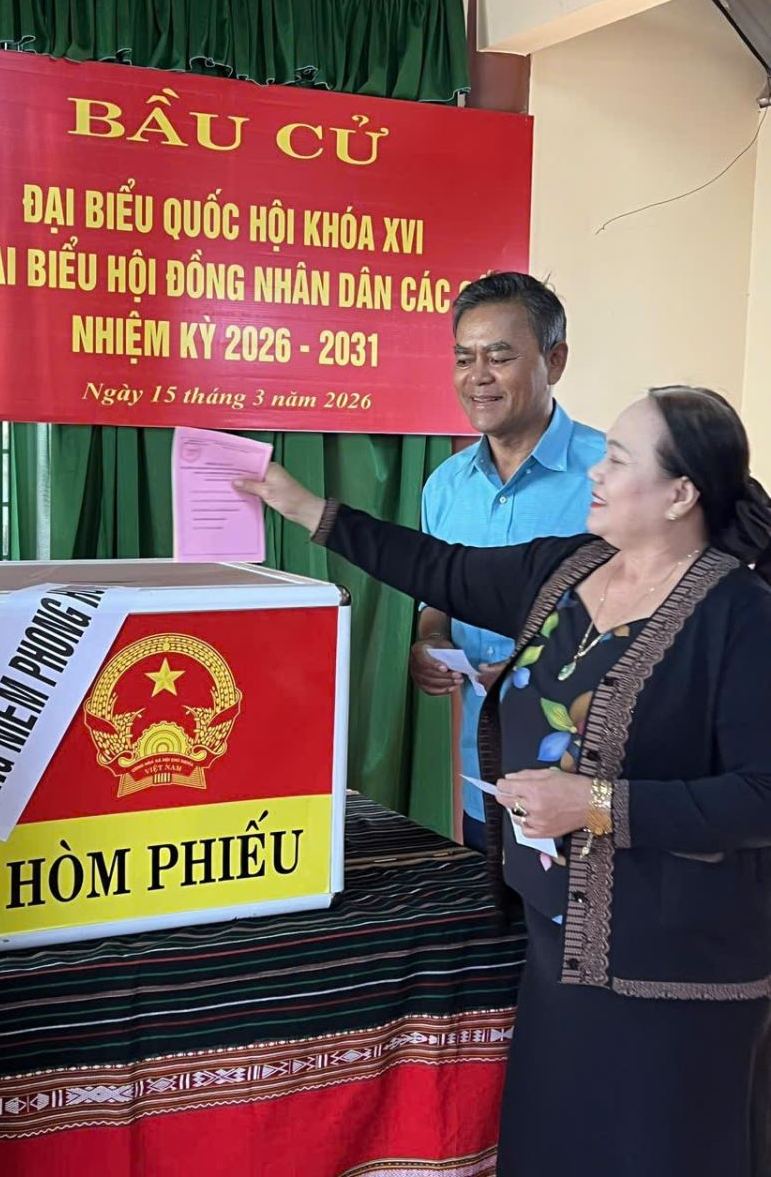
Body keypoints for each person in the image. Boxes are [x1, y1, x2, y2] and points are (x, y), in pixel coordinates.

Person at [237, 386, 771, 1176]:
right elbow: (440, 567)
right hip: (560, 957)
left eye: (618, 459)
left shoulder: (741, 615)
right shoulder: (569, 569)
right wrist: (303, 507)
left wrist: (593, 805)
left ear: (680, 494)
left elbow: (760, 796)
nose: (595, 471)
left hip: (676, 972)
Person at [414, 273, 603, 851]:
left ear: (555, 360)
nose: (478, 377)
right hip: (486, 784)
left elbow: (655, 627)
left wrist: (537, 669)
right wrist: (429, 641)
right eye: (463, 358)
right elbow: (437, 598)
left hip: (587, 788)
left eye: (499, 357)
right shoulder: (445, 486)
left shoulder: (612, 475)